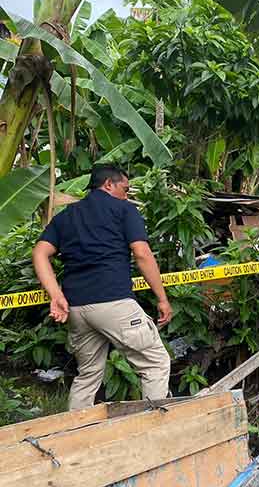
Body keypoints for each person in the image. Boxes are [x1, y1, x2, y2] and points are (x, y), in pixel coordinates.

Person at [32, 166, 173, 410]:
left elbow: (40, 252)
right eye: (125, 189)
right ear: (109, 184)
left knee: (87, 376)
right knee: (155, 364)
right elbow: (142, 254)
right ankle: (150, 433)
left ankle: (75, 436)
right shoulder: (124, 210)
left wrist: (56, 295)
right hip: (114, 302)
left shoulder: (66, 216)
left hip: (76, 308)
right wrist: (162, 298)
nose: (127, 195)